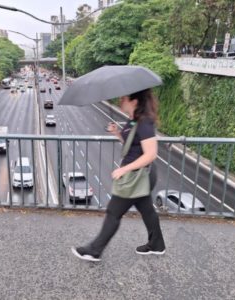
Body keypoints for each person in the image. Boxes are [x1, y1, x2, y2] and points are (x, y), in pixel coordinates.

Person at [71, 88, 166, 262]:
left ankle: (94, 250)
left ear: (134, 101)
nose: (120, 100)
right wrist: (117, 133)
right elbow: (132, 145)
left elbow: (151, 154)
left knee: (114, 212)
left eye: (123, 98)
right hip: (139, 175)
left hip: (136, 176)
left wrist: (124, 169)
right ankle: (157, 244)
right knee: (147, 209)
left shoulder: (145, 122)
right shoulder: (133, 120)